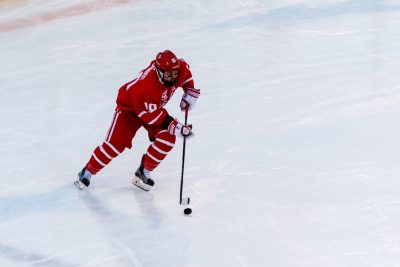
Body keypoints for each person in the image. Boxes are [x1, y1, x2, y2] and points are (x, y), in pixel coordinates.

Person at [74, 50, 200, 191]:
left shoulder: (177, 70)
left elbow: (186, 76)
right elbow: (149, 115)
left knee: (168, 138)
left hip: (152, 108)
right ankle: (87, 171)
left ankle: (143, 172)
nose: (173, 77)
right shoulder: (145, 86)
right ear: (159, 71)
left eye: (175, 73)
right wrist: (174, 125)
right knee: (115, 146)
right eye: (169, 74)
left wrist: (190, 91)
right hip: (129, 110)